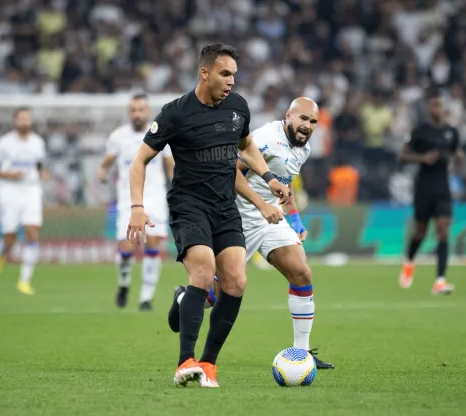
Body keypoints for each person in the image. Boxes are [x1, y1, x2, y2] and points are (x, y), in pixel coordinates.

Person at [127, 42, 290, 388]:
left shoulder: (237, 108)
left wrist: (269, 180)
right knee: (204, 271)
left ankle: (209, 364)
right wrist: (137, 208)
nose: (231, 81)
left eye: (234, 74)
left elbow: (243, 149)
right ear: (205, 73)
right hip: (189, 205)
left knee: (236, 281)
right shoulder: (175, 113)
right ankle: (185, 361)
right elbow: (139, 160)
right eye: (225, 73)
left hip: (225, 208)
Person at [167, 97, 335, 370]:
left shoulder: (303, 148)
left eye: (313, 121)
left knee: (302, 272)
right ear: (288, 115)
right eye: (302, 118)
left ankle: (301, 353)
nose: (307, 126)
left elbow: (284, 183)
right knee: (218, 293)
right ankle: (185, 298)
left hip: (271, 218)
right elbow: (230, 172)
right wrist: (260, 204)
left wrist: (295, 220)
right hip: (239, 216)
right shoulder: (266, 139)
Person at [98, 94, 174, 311]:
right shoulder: (117, 137)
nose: (137, 114)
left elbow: (170, 165)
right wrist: (103, 171)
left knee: (153, 244)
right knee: (126, 247)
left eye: (141, 109)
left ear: (147, 111)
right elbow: (108, 160)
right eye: (133, 110)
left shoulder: (161, 133)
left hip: (155, 197)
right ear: (128, 112)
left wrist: (178, 184)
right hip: (129, 199)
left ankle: (146, 298)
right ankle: (124, 284)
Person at [398, 88, 463, 295]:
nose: (438, 108)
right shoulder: (420, 131)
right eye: (434, 105)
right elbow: (402, 156)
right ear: (428, 108)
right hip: (423, 186)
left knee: (443, 230)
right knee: (421, 232)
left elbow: (455, 153)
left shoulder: (451, 132)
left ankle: (440, 281)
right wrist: (422, 159)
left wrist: (460, 159)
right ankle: (409, 262)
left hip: (443, 186)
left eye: (440, 105)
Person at [0, 108, 50, 295]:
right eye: (20, 119)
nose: (24, 122)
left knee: (32, 232)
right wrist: (9, 174)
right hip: (9, 191)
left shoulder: (38, 142)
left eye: (27, 119)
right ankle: (1, 252)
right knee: (10, 236)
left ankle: (24, 281)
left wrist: (42, 173)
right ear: (15, 121)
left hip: (31, 190)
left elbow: (39, 164)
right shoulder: (5, 143)